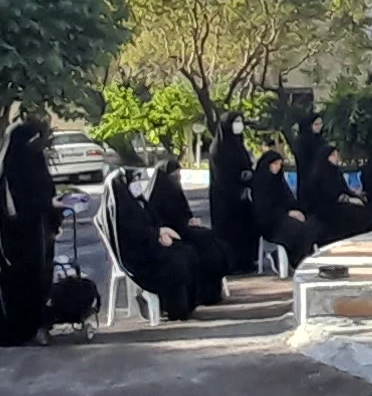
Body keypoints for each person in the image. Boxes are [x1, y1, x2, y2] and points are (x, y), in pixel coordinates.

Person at [0, 120, 63, 348]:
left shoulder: (33, 162)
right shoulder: (8, 171)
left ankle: (37, 325)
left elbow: (44, 190)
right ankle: (22, 330)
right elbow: (15, 209)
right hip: (15, 243)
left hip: (39, 236)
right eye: (32, 140)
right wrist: (47, 204)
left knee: (40, 281)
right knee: (21, 284)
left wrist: (54, 217)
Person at [106, 170, 202, 320]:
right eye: (134, 180)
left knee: (187, 251)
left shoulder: (137, 202)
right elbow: (133, 234)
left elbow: (151, 221)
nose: (137, 184)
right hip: (139, 260)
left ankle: (186, 305)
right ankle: (174, 309)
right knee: (177, 262)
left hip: (150, 249)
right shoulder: (120, 209)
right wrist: (156, 234)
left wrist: (160, 233)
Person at [146, 156, 231, 303]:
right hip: (172, 236)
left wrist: (190, 220)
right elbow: (160, 221)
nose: (177, 177)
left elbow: (183, 213)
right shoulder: (157, 195)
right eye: (174, 174)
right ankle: (203, 294)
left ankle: (211, 292)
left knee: (213, 241)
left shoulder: (174, 190)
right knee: (204, 247)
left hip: (184, 231)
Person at [251, 147, 321, 269]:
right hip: (271, 223)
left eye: (280, 164)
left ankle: (303, 259)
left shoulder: (279, 181)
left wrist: (299, 211)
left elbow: (289, 200)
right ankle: (291, 260)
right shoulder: (259, 183)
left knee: (312, 225)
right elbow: (264, 209)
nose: (278, 167)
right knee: (297, 230)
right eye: (275, 164)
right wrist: (287, 213)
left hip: (284, 218)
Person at [207, 113, 260, 273]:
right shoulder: (218, 149)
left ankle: (246, 262)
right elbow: (222, 177)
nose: (239, 125)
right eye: (236, 121)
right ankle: (231, 265)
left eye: (241, 121)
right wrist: (238, 185)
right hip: (225, 200)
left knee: (246, 230)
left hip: (243, 200)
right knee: (229, 233)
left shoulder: (239, 145)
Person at [300, 142, 372, 241]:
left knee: (367, 207)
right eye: (333, 155)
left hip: (337, 204)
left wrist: (357, 197)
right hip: (324, 207)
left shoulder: (336, 172)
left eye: (336, 154)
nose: (336, 157)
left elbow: (344, 189)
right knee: (354, 213)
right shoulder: (320, 174)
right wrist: (348, 200)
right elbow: (329, 194)